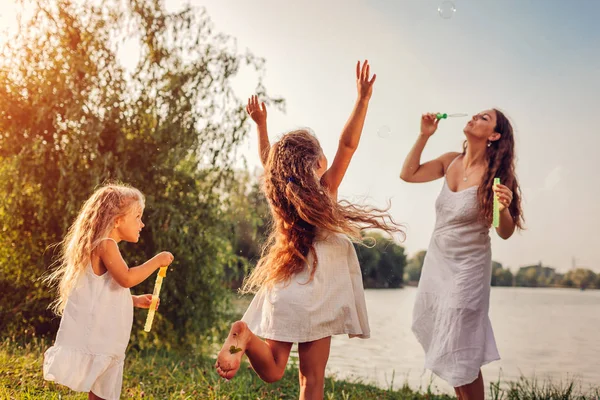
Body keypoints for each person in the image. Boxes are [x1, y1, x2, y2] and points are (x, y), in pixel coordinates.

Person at [215, 60, 403, 400]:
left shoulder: (281, 200)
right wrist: (362, 100)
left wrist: (261, 125)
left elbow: (266, 161)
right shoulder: (324, 193)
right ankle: (246, 336)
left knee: (273, 368)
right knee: (312, 381)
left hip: (284, 290)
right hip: (317, 296)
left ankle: (246, 336)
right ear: (317, 163)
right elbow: (348, 145)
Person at [400, 110, 524, 400]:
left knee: (461, 345)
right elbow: (408, 174)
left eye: (484, 118)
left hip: (469, 269)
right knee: (448, 342)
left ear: (494, 135)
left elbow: (504, 231)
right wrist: (424, 136)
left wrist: (504, 208)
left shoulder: (498, 176)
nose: (474, 117)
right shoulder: (449, 161)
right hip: (438, 264)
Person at [43, 183, 174, 400]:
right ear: (117, 219)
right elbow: (127, 278)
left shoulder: (104, 245)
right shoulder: (106, 245)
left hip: (110, 341)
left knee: (103, 392)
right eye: (138, 216)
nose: (142, 224)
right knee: (104, 393)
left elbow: (102, 294)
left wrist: (134, 300)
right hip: (103, 340)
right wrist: (157, 260)